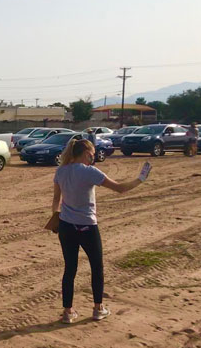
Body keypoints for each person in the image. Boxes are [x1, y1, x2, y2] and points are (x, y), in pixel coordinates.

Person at [51, 138, 150, 324]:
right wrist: (140, 179)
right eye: (93, 154)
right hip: (87, 226)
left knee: (69, 269)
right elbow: (120, 189)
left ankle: (67, 312)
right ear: (87, 152)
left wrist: (56, 216)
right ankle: (98, 308)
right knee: (97, 267)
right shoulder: (89, 172)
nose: (93, 158)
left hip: (66, 226)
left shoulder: (61, 170)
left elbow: (56, 200)